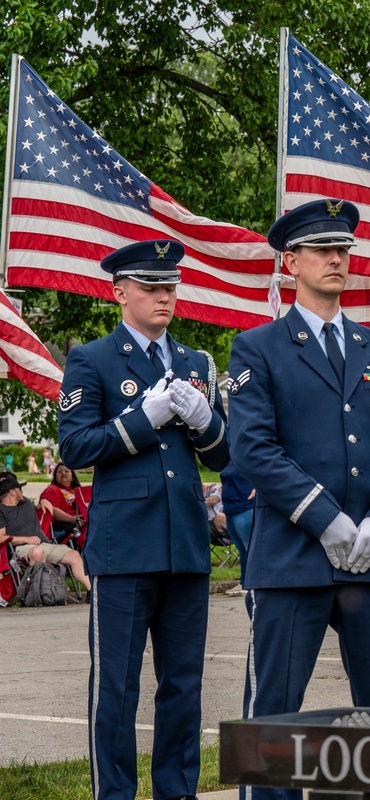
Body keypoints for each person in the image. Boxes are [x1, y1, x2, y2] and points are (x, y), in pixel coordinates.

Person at [228, 198, 370, 800]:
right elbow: (253, 448)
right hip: (293, 557)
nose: (337, 259)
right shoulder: (257, 347)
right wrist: (326, 520)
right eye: (322, 250)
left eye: (343, 250)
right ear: (291, 262)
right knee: (275, 719)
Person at [58, 239, 229, 800]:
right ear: (120, 292)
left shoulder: (196, 362)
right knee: (117, 687)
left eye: (170, 287)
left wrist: (206, 422)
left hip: (185, 543)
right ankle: (114, 794)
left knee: (183, 686)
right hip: (125, 546)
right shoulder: (93, 359)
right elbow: (77, 446)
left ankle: (176, 792)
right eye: (152, 287)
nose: (164, 296)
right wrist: (143, 418)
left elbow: (224, 456)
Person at [0, 471, 91, 591]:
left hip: (43, 544)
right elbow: (1, 537)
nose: (22, 491)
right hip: (20, 549)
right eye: (19, 489)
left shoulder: (26, 502)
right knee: (37, 552)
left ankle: (92, 592)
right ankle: (40, 594)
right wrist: (27, 539)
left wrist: (44, 501)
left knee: (73, 555)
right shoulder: (1, 511)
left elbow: (43, 505)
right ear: (11, 492)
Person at [220, 464, 254, 588]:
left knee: (249, 548)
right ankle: (244, 581)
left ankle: (252, 582)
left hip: (245, 509)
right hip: (230, 511)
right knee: (242, 549)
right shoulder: (232, 459)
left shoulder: (249, 461)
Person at [39, 462, 84, 546]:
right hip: (61, 525)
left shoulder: (77, 490)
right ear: (55, 476)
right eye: (59, 471)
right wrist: (71, 519)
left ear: (72, 477)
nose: (63, 473)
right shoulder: (52, 489)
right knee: (79, 530)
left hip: (78, 521)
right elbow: (52, 510)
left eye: (66, 471)